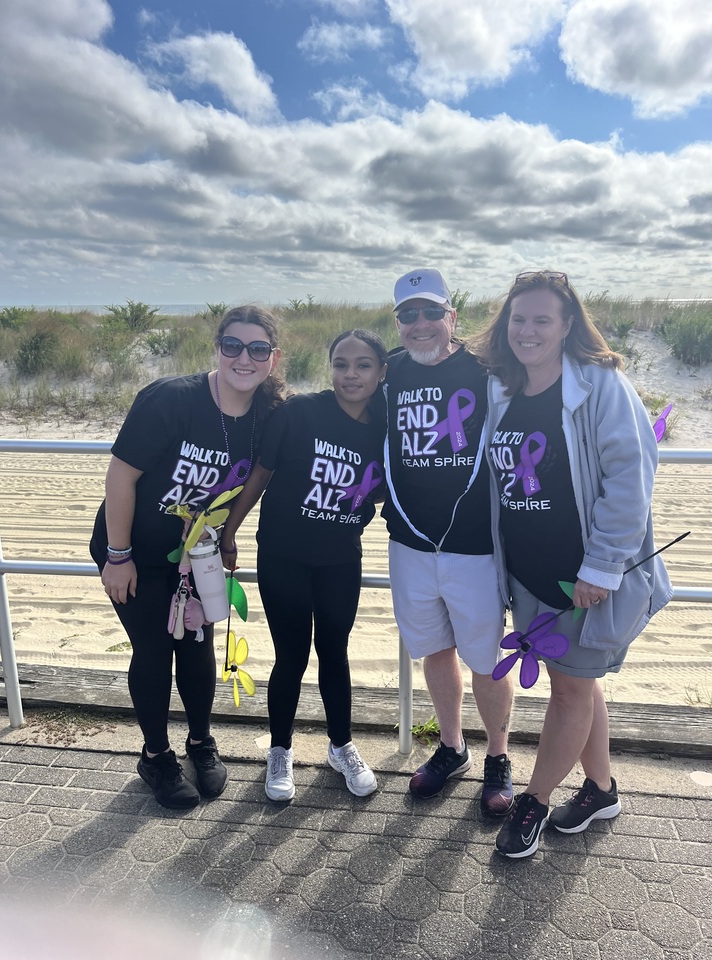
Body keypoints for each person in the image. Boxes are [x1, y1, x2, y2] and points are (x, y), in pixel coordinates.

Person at [475, 269, 672, 858]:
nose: (527, 330)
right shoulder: (503, 389)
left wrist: (603, 567)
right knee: (577, 686)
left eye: (541, 319)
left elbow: (630, 479)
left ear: (566, 325)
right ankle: (602, 789)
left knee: (570, 693)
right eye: (518, 318)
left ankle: (532, 805)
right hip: (528, 574)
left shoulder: (600, 386)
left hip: (584, 577)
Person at [90, 305, 284, 810]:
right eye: (233, 346)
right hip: (134, 548)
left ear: (273, 358)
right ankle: (155, 756)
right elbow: (121, 476)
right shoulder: (172, 399)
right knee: (153, 649)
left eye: (258, 348)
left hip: (197, 552)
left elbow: (256, 479)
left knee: (197, 648)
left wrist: (229, 534)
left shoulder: (268, 413)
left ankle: (201, 742)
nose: (245, 357)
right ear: (216, 348)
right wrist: (118, 555)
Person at [220, 329, 388, 801]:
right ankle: (280, 750)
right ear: (329, 366)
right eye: (341, 364)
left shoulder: (384, 428)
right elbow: (259, 476)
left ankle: (341, 745)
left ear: (381, 372)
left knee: (334, 652)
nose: (350, 374)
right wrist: (230, 531)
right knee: (290, 656)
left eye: (363, 365)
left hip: (340, 558)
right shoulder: (299, 413)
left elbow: (385, 487)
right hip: (283, 554)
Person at [383, 268, 515, 813]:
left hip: (475, 547)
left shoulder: (486, 369)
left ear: (450, 317)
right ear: (398, 322)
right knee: (435, 652)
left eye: (431, 312)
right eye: (408, 314)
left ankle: (499, 759)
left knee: (485, 660)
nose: (420, 324)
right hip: (409, 545)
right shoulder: (386, 372)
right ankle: (452, 747)